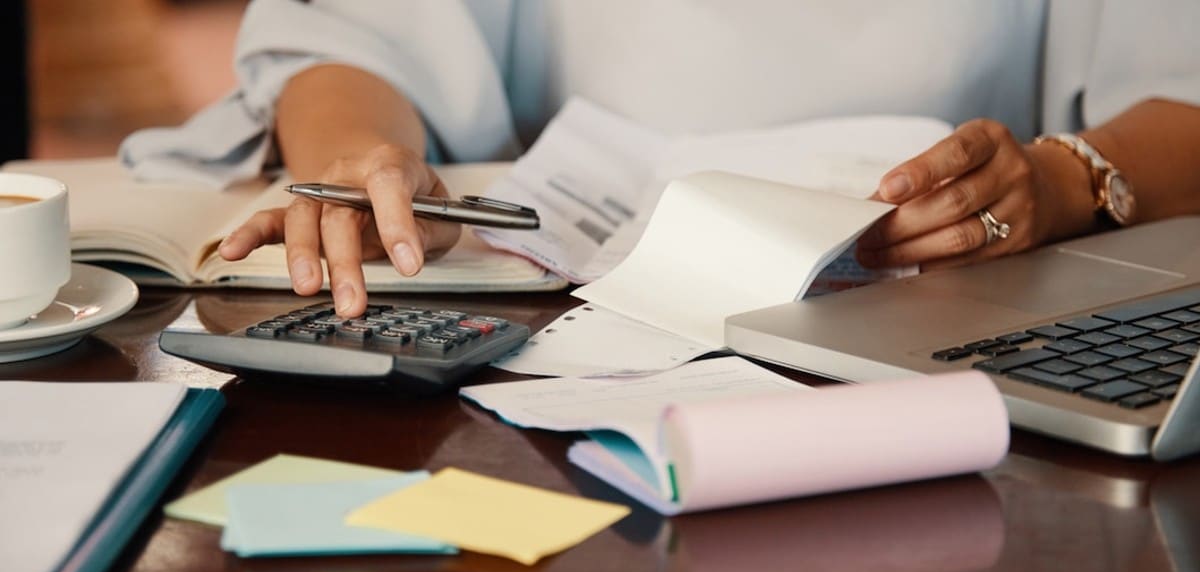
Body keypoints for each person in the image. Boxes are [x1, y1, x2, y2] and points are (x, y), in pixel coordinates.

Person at [121, 0, 1200, 318]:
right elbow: (352, 35)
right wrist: (363, 155)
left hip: (954, 312)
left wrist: (1062, 181)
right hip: (570, 312)